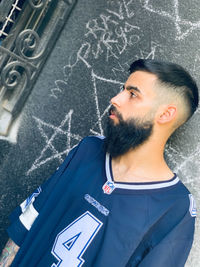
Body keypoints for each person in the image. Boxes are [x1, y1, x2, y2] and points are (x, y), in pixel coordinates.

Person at [0, 59, 198, 267]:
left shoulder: (175, 207)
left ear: (166, 114)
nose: (115, 99)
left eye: (132, 94)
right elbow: (26, 226)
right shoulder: (88, 150)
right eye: (123, 89)